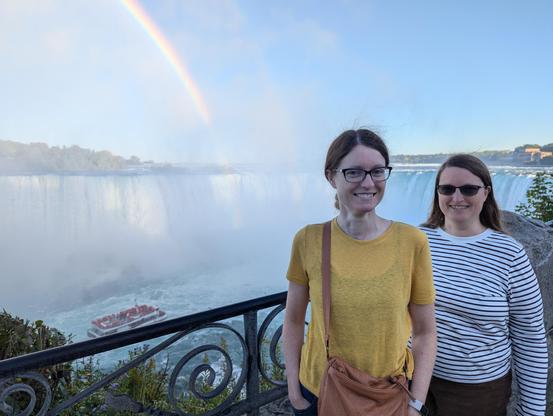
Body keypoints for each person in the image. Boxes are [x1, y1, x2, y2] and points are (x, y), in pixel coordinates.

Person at [282, 129, 437, 416]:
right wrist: (294, 390)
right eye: (354, 172)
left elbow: (425, 332)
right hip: (319, 392)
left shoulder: (412, 242)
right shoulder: (308, 240)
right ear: (331, 176)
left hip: (389, 394)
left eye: (377, 171)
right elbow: (292, 321)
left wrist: (415, 404)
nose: (368, 182)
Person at [420, 154, 548, 416]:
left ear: (486, 193)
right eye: (447, 189)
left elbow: (530, 338)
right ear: (437, 193)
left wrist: (531, 411)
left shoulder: (509, 253)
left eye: (469, 189)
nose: (457, 198)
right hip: (413, 378)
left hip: (476, 392)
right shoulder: (418, 240)